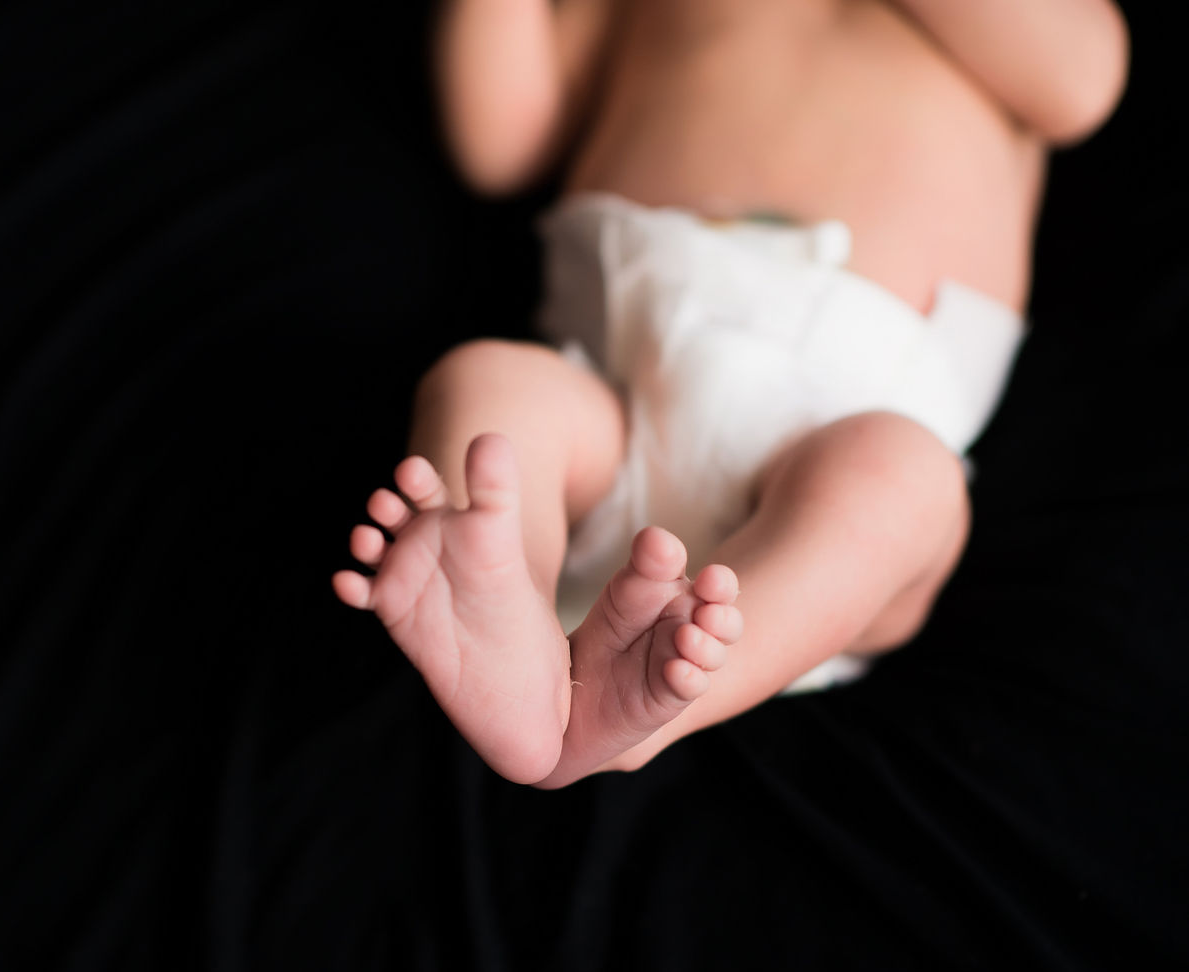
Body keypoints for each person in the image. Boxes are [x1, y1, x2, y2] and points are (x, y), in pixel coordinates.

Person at [333, 0, 1129, 788]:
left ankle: (649, 706)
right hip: (616, 392)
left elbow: (1080, 82)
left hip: (845, 422)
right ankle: (511, 619)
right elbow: (502, 145)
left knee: (904, 480)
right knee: (489, 386)